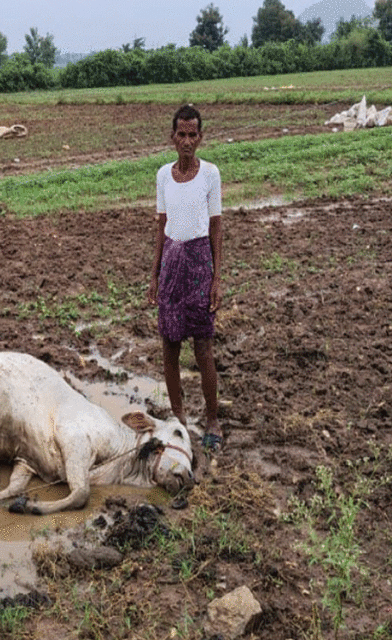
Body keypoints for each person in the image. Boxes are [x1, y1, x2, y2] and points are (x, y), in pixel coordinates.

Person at [145, 104, 224, 453]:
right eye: (182, 134)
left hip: (199, 265)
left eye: (193, 135)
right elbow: (162, 226)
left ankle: (212, 420)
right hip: (171, 267)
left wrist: (216, 279)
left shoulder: (210, 174)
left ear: (201, 137)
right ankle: (178, 418)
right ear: (173, 137)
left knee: (203, 347)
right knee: (170, 346)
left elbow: (216, 227)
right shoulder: (164, 175)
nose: (187, 141)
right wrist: (154, 275)